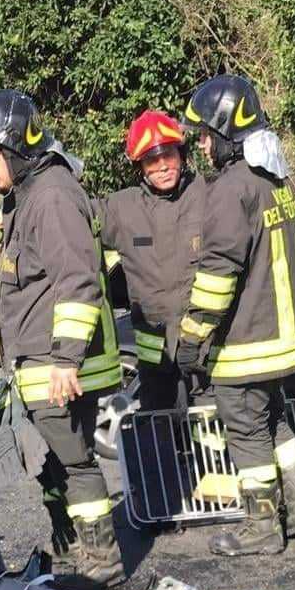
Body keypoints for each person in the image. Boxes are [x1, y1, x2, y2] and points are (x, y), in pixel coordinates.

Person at [0, 89, 125, 590]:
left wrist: (65, 360)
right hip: (39, 366)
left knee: (74, 464)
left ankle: (104, 564)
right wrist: (4, 220)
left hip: (60, 367)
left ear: (16, 146)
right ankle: (73, 554)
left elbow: (78, 280)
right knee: (50, 465)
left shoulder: (51, 194)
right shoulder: (29, 195)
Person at [178, 74, 295, 556]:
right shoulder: (275, 180)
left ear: (224, 129)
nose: (200, 144)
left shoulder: (230, 188)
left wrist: (191, 337)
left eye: (204, 134)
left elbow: (218, 274)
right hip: (283, 337)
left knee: (245, 431)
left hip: (246, 341)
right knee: (274, 420)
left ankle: (261, 526)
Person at [94, 111, 206, 411]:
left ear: (181, 154)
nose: (163, 167)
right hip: (154, 359)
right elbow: (67, 216)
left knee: (211, 433)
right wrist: (14, 217)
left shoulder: (209, 195)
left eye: (168, 155)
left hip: (204, 349)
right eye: (151, 161)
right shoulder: (122, 209)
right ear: (140, 167)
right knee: (160, 434)